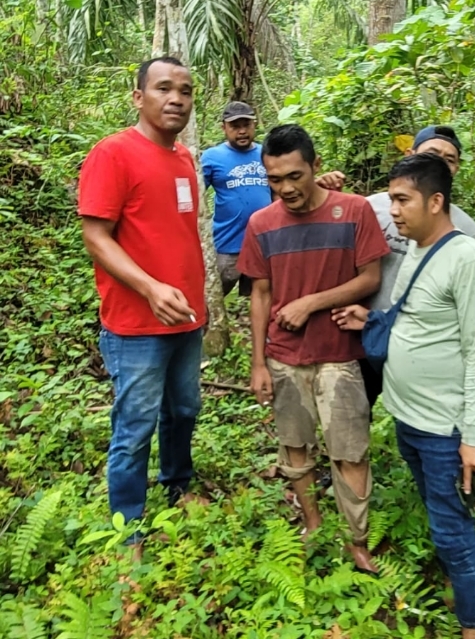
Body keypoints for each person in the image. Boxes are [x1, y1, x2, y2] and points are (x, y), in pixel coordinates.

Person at [332, 153, 475, 637]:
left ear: (436, 201)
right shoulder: (418, 250)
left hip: (445, 430)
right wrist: (370, 320)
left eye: (402, 200)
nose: (394, 211)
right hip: (410, 419)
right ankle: (453, 580)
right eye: (390, 200)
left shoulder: (468, 260)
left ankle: (473, 627)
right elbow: (412, 316)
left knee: (454, 529)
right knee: (439, 511)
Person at [237, 124, 390, 572]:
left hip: (341, 356)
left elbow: (370, 278)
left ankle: (357, 539)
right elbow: (260, 294)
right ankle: (314, 521)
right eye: (274, 179)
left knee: (350, 450)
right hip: (284, 358)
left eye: (295, 176)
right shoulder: (261, 224)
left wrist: (311, 303)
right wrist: (258, 363)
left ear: (316, 167)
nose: (285, 188)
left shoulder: (355, 211)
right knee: (295, 448)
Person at [78, 57, 206, 554]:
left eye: (186, 90)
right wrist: (152, 288)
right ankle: (127, 526)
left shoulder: (184, 160)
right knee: (135, 427)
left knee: (185, 409)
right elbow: (97, 238)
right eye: (164, 89)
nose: (176, 98)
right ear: (138, 97)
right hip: (136, 325)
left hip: (187, 318)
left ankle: (178, 483)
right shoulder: (113, 154)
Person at [319, 125, 475, 407]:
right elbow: (330, 253)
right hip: (363, 331)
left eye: (450, 158)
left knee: (417, 421)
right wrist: (319, 196)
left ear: (456, 169)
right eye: (432, 153)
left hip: (421, 346)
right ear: (411, 155)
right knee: (356, 412)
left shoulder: (466, 229)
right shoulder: (373, 208)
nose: (441, 161)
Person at [201, 101, 272, 297]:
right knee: (210, 299)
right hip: (228, 244)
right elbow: (196, 196)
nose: (241, 131)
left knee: (263, 297)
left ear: (254, 124)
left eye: (246, 125)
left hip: (263, 244)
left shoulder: (266, 153)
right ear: (224, 127)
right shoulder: (212, 157)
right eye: (235, 126)